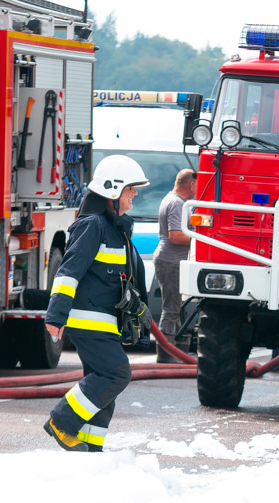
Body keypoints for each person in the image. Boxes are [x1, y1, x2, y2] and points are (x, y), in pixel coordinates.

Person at [43, 155, 152, 452]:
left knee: (101, 383)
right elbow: (68, 272)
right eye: (131, 189)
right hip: (87, 321)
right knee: (115, 374)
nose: (136, 195)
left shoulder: (117, 230)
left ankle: (91, 448)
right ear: (113, 192)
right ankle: (61, 421)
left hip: (104, 322)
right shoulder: (92, 226)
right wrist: (56, 314)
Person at [153, 168, 196, 363]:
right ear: (191, 184)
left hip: (170, 261)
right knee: (171, 308)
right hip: (171, 261)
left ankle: (173, 352)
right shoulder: (177, 204)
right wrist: (200, 241)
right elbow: (176, 235)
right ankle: (166, 354)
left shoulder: (174, 201)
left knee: (176, 307)